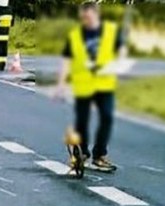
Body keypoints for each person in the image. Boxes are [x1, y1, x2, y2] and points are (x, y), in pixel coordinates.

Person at [53, 1, 126, 172]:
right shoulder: (76, 35)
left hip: (104, 83)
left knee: (107, 117)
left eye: (88, 16)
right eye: (83, 17)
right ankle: (83, 153)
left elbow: (121, 50)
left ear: (96, 14)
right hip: (83, 84)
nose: (85, 20)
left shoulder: (110, 31)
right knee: (82, 121)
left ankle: (99, 155)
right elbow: (67, 60)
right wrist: (61, 83)